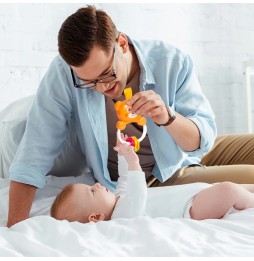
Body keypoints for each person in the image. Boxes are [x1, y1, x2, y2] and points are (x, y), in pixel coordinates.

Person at [7, 5, 254, 228]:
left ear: (122, 43)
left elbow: (203, 140)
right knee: (241, 185)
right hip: (159, 176)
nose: (102, 88)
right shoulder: (65, 73)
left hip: (182, 151)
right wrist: (14, 231)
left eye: (106, 74)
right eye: (89, 83)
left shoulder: (171, 61)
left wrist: (167, 117)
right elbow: (33, 155)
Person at [50, 137, 254, 223]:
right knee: (229, 191)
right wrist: (132, 160)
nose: (96, 185)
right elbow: (138, 192)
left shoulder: (119, 200)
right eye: (92, 192)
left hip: (194, 194)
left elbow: (124, 179)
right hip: (190, 209)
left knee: (238, 188)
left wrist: (122, 153)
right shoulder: (122, 218)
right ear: (96, 217)